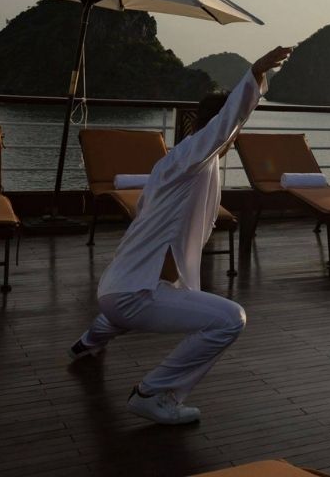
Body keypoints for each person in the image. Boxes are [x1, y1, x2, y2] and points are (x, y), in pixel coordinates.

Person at [67, 46, 294, 424]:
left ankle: (86, 344)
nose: (234, 137)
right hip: (134, 294)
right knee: (229, 320)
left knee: (120, 315)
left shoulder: (173, 165)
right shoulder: (192, 157)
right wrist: (253, 75)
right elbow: (225, 126)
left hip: (116, 290)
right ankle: (153, 393)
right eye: (233, 131)